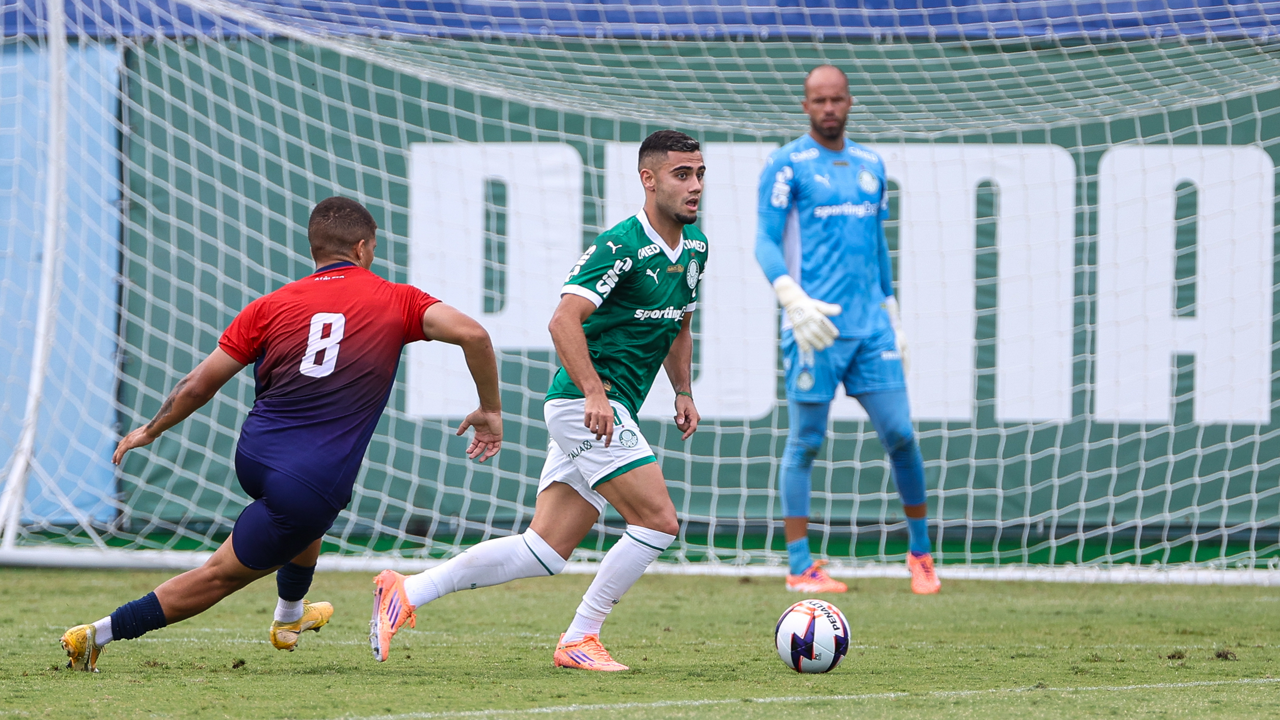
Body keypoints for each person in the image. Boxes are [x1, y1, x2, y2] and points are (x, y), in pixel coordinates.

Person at [59, 197, 502, 671]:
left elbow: (197, 384)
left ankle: (290, 616)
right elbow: (474, 335)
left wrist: (150, 429)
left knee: (303, 517)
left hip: (257, 454)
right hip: (309, 477)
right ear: (362, 247)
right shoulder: (397, 299)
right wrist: (490, 410)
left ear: (315, 250)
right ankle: (97, 634)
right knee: (220, 575)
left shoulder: (270, 305)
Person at [369, 129, 707, 671]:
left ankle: (407, 591)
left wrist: (683, 389)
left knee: (544, 550)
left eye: (699, 174)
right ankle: (580, 638)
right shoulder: (621, 245)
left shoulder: (695, 248)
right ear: (648, 179)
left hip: (605, 406)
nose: (695, 186)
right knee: (658, 522)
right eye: (681, 174)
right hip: (584, 404)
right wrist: (595, 392)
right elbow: (562, 320)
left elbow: (680, 325)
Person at [755, 65, 940, 595]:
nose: (829, 108)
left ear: (850, 102)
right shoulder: (786, 165)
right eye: (819, 100)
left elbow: (877, 246)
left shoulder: (869, 164)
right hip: (816, 327)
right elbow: (765, 242)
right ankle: (799, 565)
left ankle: (921, 554)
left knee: (901, 434)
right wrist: (792, 299)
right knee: (806, 441)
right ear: (806, 104)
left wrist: (892, 312)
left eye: (837, 99)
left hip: (872, 331)